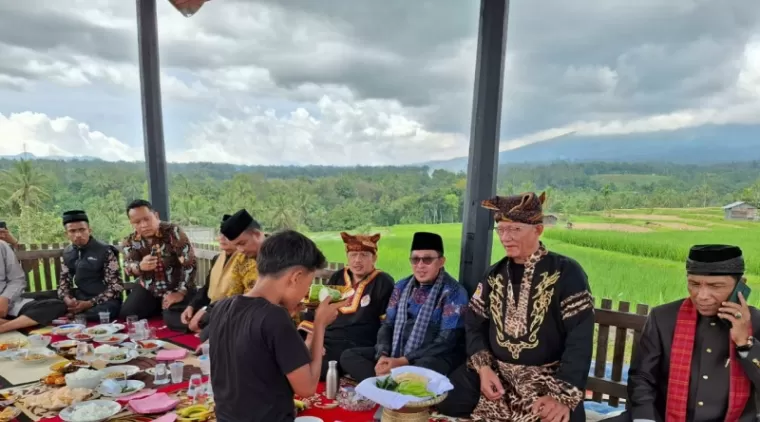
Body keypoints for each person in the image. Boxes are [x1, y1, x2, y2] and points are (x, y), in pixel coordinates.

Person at [437, 192, 595, 422]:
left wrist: (561, 395)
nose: (506, 238)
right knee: (444, 399)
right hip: (498, 374)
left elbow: (580, 337)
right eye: (501, 229)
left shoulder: (566, 273)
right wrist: (484, 369)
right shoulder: (494, 274)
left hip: (544, 379)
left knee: (558, 417)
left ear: (538, 230)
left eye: (515, 230)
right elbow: (474, 322)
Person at [207, 230, 345, 422]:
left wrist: (307, 333)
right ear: (295, 277)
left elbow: (266, 361)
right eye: (309, 282)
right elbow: (307, 388)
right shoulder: (275, 317)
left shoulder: (222, 306)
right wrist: (320, 324)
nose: (306, 290)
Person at [611, 245, 760, 422]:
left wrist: (745, 343)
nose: (702, 295)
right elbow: (642, 376)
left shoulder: (756, 321)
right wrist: (646, 418)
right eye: (694, 284)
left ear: (740, 285)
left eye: (715, 286)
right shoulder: (663, 317)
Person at [340, 232, 468, 382]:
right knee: (349, 356)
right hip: (397, 349)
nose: (420, 266)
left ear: (441, 261)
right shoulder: (401, 286)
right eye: (415, 260)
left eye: (427, 260)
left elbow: (446, 341)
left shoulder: (453, 292)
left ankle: (386, 383)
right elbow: (388, 324)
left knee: (425, 366)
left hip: (431, 355)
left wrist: (403, 361)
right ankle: (392, 382)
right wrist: (383, 354)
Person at [297, 232, 395, 379]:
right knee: (291, 350)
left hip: (357, 342)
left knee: (319, 367)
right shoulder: (338, 276)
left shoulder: (383, 281)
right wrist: (314, 339)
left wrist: (382, 352)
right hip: (329, 336)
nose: (357, 260)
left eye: (363, 255)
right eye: (353, 255)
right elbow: (320, 307)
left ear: (374, 258)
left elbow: (386, 322)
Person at [183, 209, 263, 340]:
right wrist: (207, 308)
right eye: (237, 245)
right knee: (208, 333)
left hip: (265, 314)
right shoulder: (239, 258)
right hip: (236, 309)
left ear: (257, 234)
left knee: (211, 335)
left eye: (242, 243)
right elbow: (233, 296)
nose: (241, 250)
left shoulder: (276, 254)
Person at [120, 199, 196, 331]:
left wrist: (181, 292)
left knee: (174, 319)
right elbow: (128, 267)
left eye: (147, 219)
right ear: (131, 223)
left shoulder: (173, 232)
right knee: (127, 314)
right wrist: (140, 267)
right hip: (149, 289)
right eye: (137, 222)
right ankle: (158, 307)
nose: (143, 225)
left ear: (156, 216)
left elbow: (190, 263)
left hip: (175, 287)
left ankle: (168, 309)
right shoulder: (130, 241)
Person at [57, 210, 124, 321]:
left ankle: (78, 316)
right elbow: (63, 283)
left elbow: (116, 286)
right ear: (66, 234)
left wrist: (89, 303)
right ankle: (78, 314)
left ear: (89, 230)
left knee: (107, 311)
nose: (78, 235)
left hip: (104, 299)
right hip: (81, 296)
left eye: (82, 230)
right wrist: (67, 299)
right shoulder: (67, 253)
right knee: (53, 305)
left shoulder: (105, 251)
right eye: (72, 231)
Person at [181, 214, 236, 333]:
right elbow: (206, 288)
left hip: (228, 309)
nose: (221, 238)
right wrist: (192, 306)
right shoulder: (218, 258)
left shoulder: (246, 261)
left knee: (207, 321)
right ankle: (202, 327)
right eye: (221, 234)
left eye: (227, 236)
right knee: (172, 314)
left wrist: (206, 309)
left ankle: (205, 328)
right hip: (210, 304)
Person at [0, 240, 66, 333]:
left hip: (9, 305)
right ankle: (22, 323)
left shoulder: (2, 246)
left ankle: (6, 326)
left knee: (55, 305)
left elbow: (17, 279)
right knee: (38, 318)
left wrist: (5, 298)